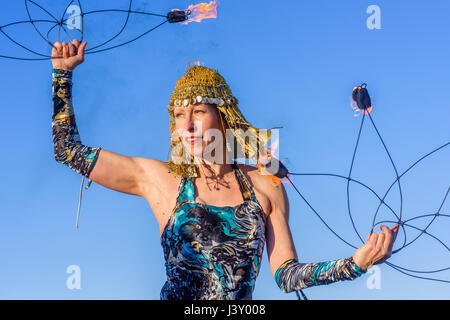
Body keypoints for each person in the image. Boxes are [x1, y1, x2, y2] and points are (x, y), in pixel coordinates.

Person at [51, 39, 399, 300]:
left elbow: (287, 276)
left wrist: (355, 263)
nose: (186, 125)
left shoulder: (264, 185)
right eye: (178, 116)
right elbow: (67, 150)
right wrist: (62, 76)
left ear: (223, 117)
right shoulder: (160, 180)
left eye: (198, 112)